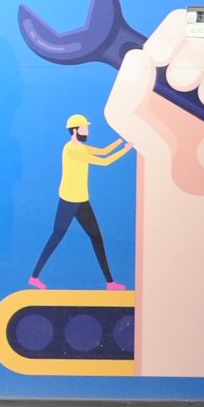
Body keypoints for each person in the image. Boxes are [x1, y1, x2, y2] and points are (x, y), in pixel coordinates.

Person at [28, 113, 130, 290]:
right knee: (57, 236)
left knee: (96, 237)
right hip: (69, 201)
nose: (87, 131)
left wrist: (122, 140)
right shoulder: (72, 150)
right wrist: (128, 148)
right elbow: (105, 161)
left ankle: (110, 282)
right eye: (85, 128)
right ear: (75, 130)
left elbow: (103, 151)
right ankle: (34, 277)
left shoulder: (81, 148)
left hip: (82, 200)